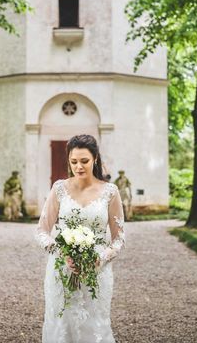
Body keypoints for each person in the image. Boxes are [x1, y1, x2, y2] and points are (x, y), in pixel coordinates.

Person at [36, 134, 125, 343]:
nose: (79, 166)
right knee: (62, 326)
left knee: (95, 326)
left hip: (97, 272)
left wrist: (101, 258)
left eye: (84, 161)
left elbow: (119, 239)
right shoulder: (59, 189)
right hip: (61, 270)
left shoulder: (110, 192)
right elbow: (41, 230)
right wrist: (62, 253)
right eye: (73, 161)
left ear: (95, 159)